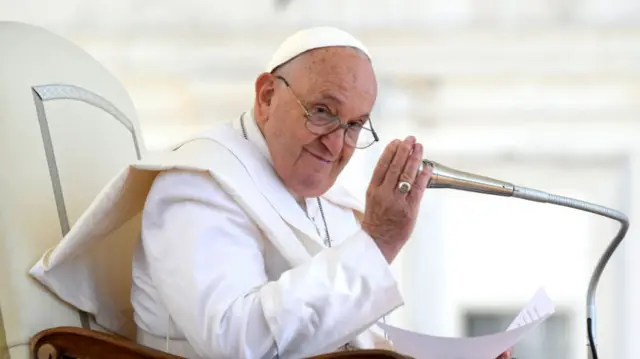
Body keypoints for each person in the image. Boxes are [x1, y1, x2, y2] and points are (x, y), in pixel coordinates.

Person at [29, 26, 511, 359]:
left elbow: (349, 339)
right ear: (266, 96)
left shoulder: (331, 204)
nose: (337, 143)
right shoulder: (198, 184)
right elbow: (237, 341)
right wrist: (378, 243)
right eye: (322, 111)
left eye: (355, 126)